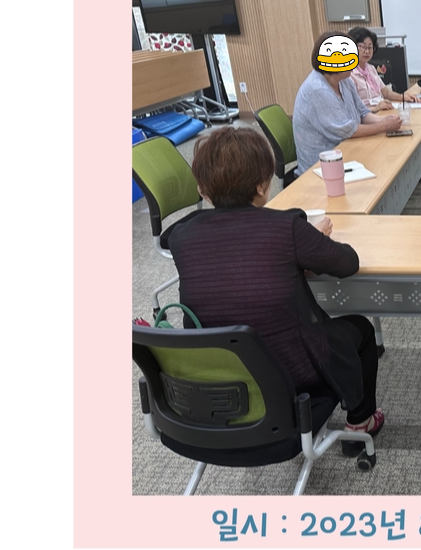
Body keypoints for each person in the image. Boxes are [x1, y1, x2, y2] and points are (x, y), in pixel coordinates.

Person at [160, 126, 384, 450]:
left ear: (202, 190)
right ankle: (360, 423)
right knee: (360, 329)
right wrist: (312, 239)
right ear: (263, 186)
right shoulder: (286, 228)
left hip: (217, 382)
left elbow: (206, 246)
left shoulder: (182, 236)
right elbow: (347, 263)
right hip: (291, 377)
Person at [347, 27, 421, 201]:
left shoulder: (370, 69)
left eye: (370, 47)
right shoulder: (348, 74)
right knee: (407, 137)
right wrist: (376, 107)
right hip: (368, 121)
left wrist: (404, 97)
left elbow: (385, 92)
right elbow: (354, 109)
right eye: (362, 46)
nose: (367, 51)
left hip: (382, 112)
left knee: (415, 134)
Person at [293, 31, 402, 178]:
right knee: (381, 166)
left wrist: (385, 120)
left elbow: (362, 113)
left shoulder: (344, 80)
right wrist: (384, 126)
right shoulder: (318, 89)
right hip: (321, 168)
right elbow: (349, 131)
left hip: (346, 151)